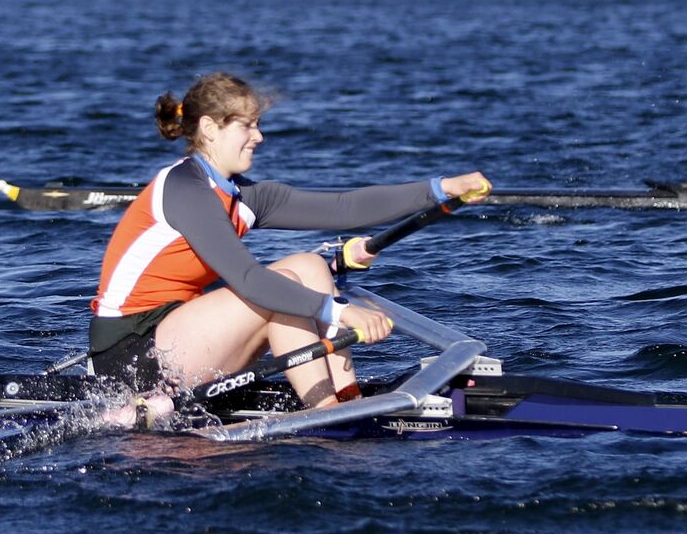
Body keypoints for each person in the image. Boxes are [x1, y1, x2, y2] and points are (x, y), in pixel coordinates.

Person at [87, 72, 490, 411]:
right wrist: (343, 314)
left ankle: (344, 398)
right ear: (209, 128)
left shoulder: (245, 197)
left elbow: (343, 208)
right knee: (281, 289)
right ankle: (327, 413)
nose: (259, 136)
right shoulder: (185, 188)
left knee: (308, 266)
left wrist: (440, 188)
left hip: (183, 339)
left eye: (258, 124)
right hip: (130, 357)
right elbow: (248, 279)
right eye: (247, 125)